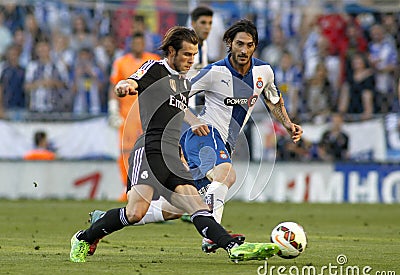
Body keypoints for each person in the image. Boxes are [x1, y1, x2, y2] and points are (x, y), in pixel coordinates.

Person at [91, 19, 303, 255]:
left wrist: (287, 123)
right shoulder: (213, 72)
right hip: (204, 134)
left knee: (174, 208)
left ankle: (103, 221)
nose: (243, 50)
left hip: (221, 143)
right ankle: (215, 238)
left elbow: (273, 100)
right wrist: (190, 120)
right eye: (239, 44)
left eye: (249, 45)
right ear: (229, 44)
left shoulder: (264, 72)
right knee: (226, 174)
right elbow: (175, 92)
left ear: (255, 47)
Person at [108, 32, 160, 202]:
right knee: (125, 151)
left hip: (147, 113)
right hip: (126, 115)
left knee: (149, 151)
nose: (138, 45)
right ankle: (127, 187)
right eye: (135, 42)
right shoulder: (121, 62)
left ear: (144, 43)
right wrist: (113, 109)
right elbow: (113, 86)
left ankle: (150, 188)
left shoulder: (153, 61)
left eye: (140, 42)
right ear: (131, 44)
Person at [187, 6, 213, 108]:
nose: (207, 27)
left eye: (210, 23)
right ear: (193, 23)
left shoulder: (204, 45)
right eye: (203, 23)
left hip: (199, 103)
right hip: (185, 105)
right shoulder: (185, 46)